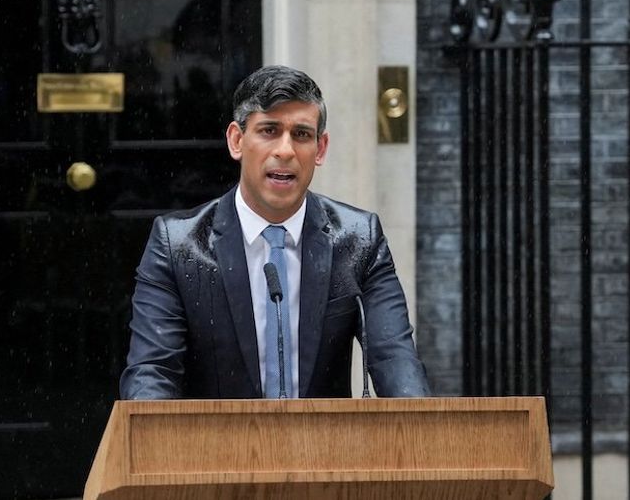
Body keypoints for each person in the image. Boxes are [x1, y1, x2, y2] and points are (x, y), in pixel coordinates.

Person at [120, 65, 430, 399]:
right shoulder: (177, 244)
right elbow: (152, 373)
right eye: (269, 131)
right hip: (214, 448)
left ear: (320, 148)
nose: (285, 150)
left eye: (301, 135)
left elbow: (395, 359)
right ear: (237, 141)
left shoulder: (359, 239)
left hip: (324, 448)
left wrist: (416, 434)